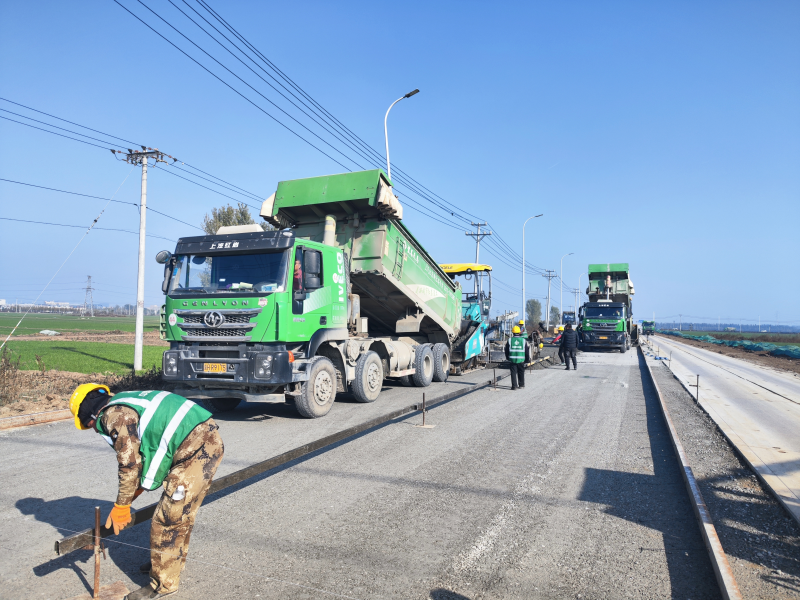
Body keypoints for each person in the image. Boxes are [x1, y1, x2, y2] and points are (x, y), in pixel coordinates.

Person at [69, 384, 224, 600]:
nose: (94, 430)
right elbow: (148, 445)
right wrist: (136, 489)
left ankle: (163, 583)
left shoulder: (112, 415)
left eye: (89, 425)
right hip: (199, 439)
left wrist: (122, 505)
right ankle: (166, 563)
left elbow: (129, 463)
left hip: (198, 448)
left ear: (92, 414)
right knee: (178, 513)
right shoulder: (125, 400)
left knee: (168, 518)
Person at [504, 325, 531, 390]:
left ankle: (514, 386)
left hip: (512, 360)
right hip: (521, 359)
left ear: (512, 332)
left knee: (513, 372)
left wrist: (507, 357)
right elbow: (526, 351)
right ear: (519, 332)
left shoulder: (509, 340)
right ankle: (521, 385)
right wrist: (527, 359)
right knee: (521, 372)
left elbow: (506, 350)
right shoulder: (523, 340)